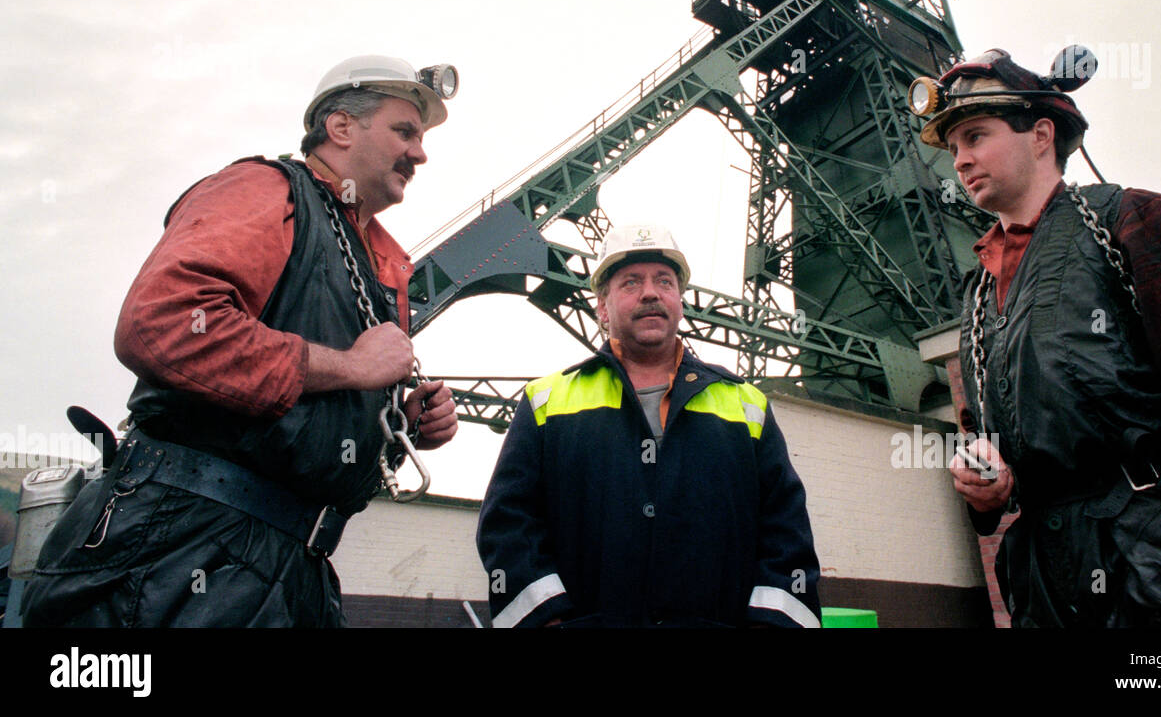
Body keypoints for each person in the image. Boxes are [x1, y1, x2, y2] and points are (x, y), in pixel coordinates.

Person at [22, 55, 461, 627]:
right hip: (180, 551)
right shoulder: (265, 189)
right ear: (341, 126)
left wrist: (398, 425)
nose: (420, 153)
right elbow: (165, 324)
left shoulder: (379, 259)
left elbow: (311, 411)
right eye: (404, 131)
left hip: (293, 567)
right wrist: (352, 370)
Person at [909, 46, 1161, 627]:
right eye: (955, 148)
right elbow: (1006, 449)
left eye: (976, 136)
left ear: (1041, 134)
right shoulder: (977, 293)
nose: (960, 161)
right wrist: (993, 489)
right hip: (1046, 594)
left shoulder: (1137, 222)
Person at [477, 225, 821, 627]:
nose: (651, 293)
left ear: (679, 301)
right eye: (630, 283)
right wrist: (548, 622)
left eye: (664, 281)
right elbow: (508, 526)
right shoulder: (545, 402)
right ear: (602, 307)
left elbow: (786, 532)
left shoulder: (746, 404)